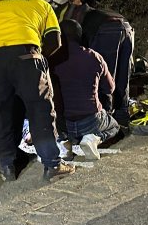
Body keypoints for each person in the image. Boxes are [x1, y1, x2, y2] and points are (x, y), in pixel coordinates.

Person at [0, 0, 75, 182]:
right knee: (40, 110)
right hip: (27, 56)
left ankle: (6, 167)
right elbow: (54, 40)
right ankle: (52, 165)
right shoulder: (41, 4)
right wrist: (37, 59)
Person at [59, 0, 134, 126]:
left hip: (107, 29)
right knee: (123, 74)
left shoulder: (69, 14)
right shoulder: (89, 11)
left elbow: (103, 81)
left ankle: (106, 118)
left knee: (107, 75)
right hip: (126, 26)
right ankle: (122, 115)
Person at [50, 19, 120, 160]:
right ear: (80, 36)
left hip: (63, 124)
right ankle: (93, 138)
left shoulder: (51, 60)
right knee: (115, 127)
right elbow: (110, 88)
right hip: (90, 121)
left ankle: (64, 143)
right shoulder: (94, 56)